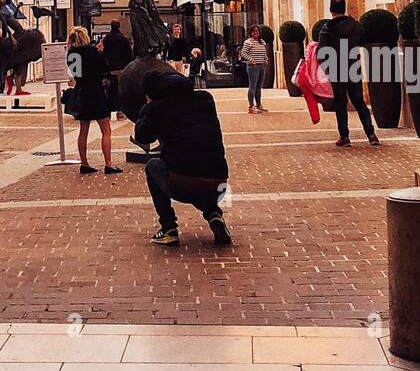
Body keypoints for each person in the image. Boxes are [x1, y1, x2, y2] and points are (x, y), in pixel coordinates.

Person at [133, 67, 232, 246]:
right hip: (219, 183)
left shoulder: (157, 107)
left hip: (184, 180)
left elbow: (143, 137)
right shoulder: (206, 98)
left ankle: (168, 228)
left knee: (154, 167)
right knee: (199, 169)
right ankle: (214, 215)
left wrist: (147, 108)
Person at [317, 0, 379, 147]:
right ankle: (371, 134)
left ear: (331, 10)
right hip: (353, 67)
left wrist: (327, 68)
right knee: (359, 101)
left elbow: (321, 52)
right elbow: (362, 42)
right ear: (344, 9)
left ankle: (344, 137)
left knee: (340, 103)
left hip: (336, 69)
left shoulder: (326, 28)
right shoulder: (355, 26)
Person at [67, 27, 122, 175]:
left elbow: (74, 75)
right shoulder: (93, 52)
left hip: (82, 92)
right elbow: (104, 69)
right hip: (96, 92)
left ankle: (84, 164)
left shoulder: (72, 54)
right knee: (105, 129)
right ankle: (108, 164)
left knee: (83, 130)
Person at [237, 25, 269, 114]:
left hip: (261, 66)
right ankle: (251, 106)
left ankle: (258, 105)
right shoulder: (248, 42)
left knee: (259, 86)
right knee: (253, 86)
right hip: (253, 67)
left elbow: (264, 52)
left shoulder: (262, 42)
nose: (256, 32)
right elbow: (243, 53)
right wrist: (251, 60)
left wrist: (266, 59)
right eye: (254, 31)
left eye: (257, 30)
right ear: (251, 32)